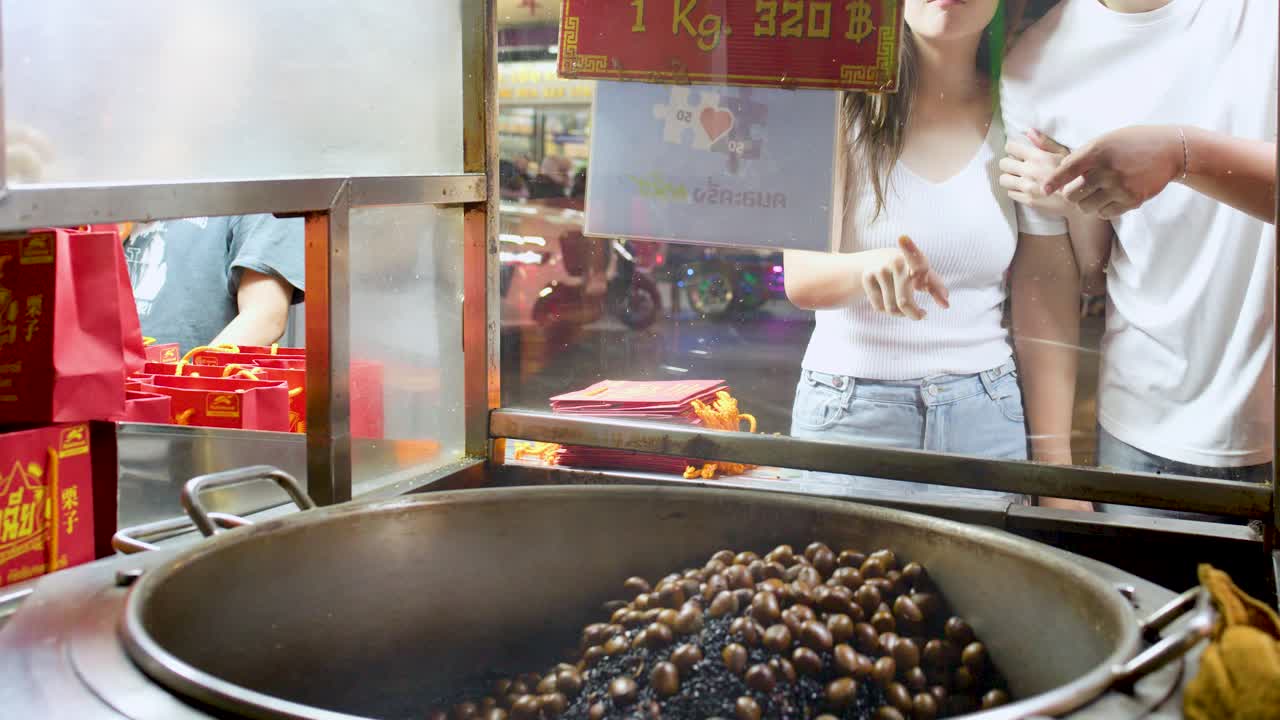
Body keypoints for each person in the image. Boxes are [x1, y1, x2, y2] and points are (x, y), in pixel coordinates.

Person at [784, 0, 1070, 506]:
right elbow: (802, 277)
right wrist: (869, 266)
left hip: (986, 415)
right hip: (851, 414)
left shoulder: (1022, 115)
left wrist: (1057, 475)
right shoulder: (836, 100)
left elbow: (1049, 298)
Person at [998, 0, 1276, 518]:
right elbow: (1057, 276)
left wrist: (1179, 153)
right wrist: (1055, 469)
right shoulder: (1034, 64)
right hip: (1142, 435)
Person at [123, 214, 305, 353]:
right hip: (106, 380)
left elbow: (265, 316)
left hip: (186, 390)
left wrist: (188, 383)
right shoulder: (123, 175)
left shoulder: (254, 182)